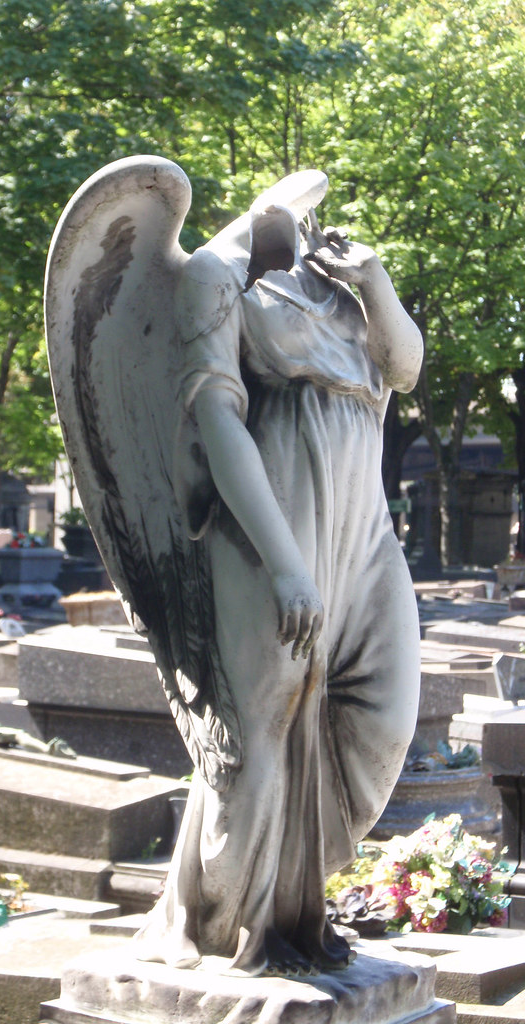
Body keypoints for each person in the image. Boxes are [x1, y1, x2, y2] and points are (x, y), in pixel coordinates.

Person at [134, 198, 424, 977]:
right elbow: (217, 422)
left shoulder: (344, 294)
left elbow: (404, 369)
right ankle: (229, 926)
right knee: (258, 738)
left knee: (386, 715)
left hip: (364, 531)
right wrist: (286, 564)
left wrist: (375, 279)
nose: (312, 217)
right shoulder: (215, 276)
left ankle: (292, 903)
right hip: (272, 530)